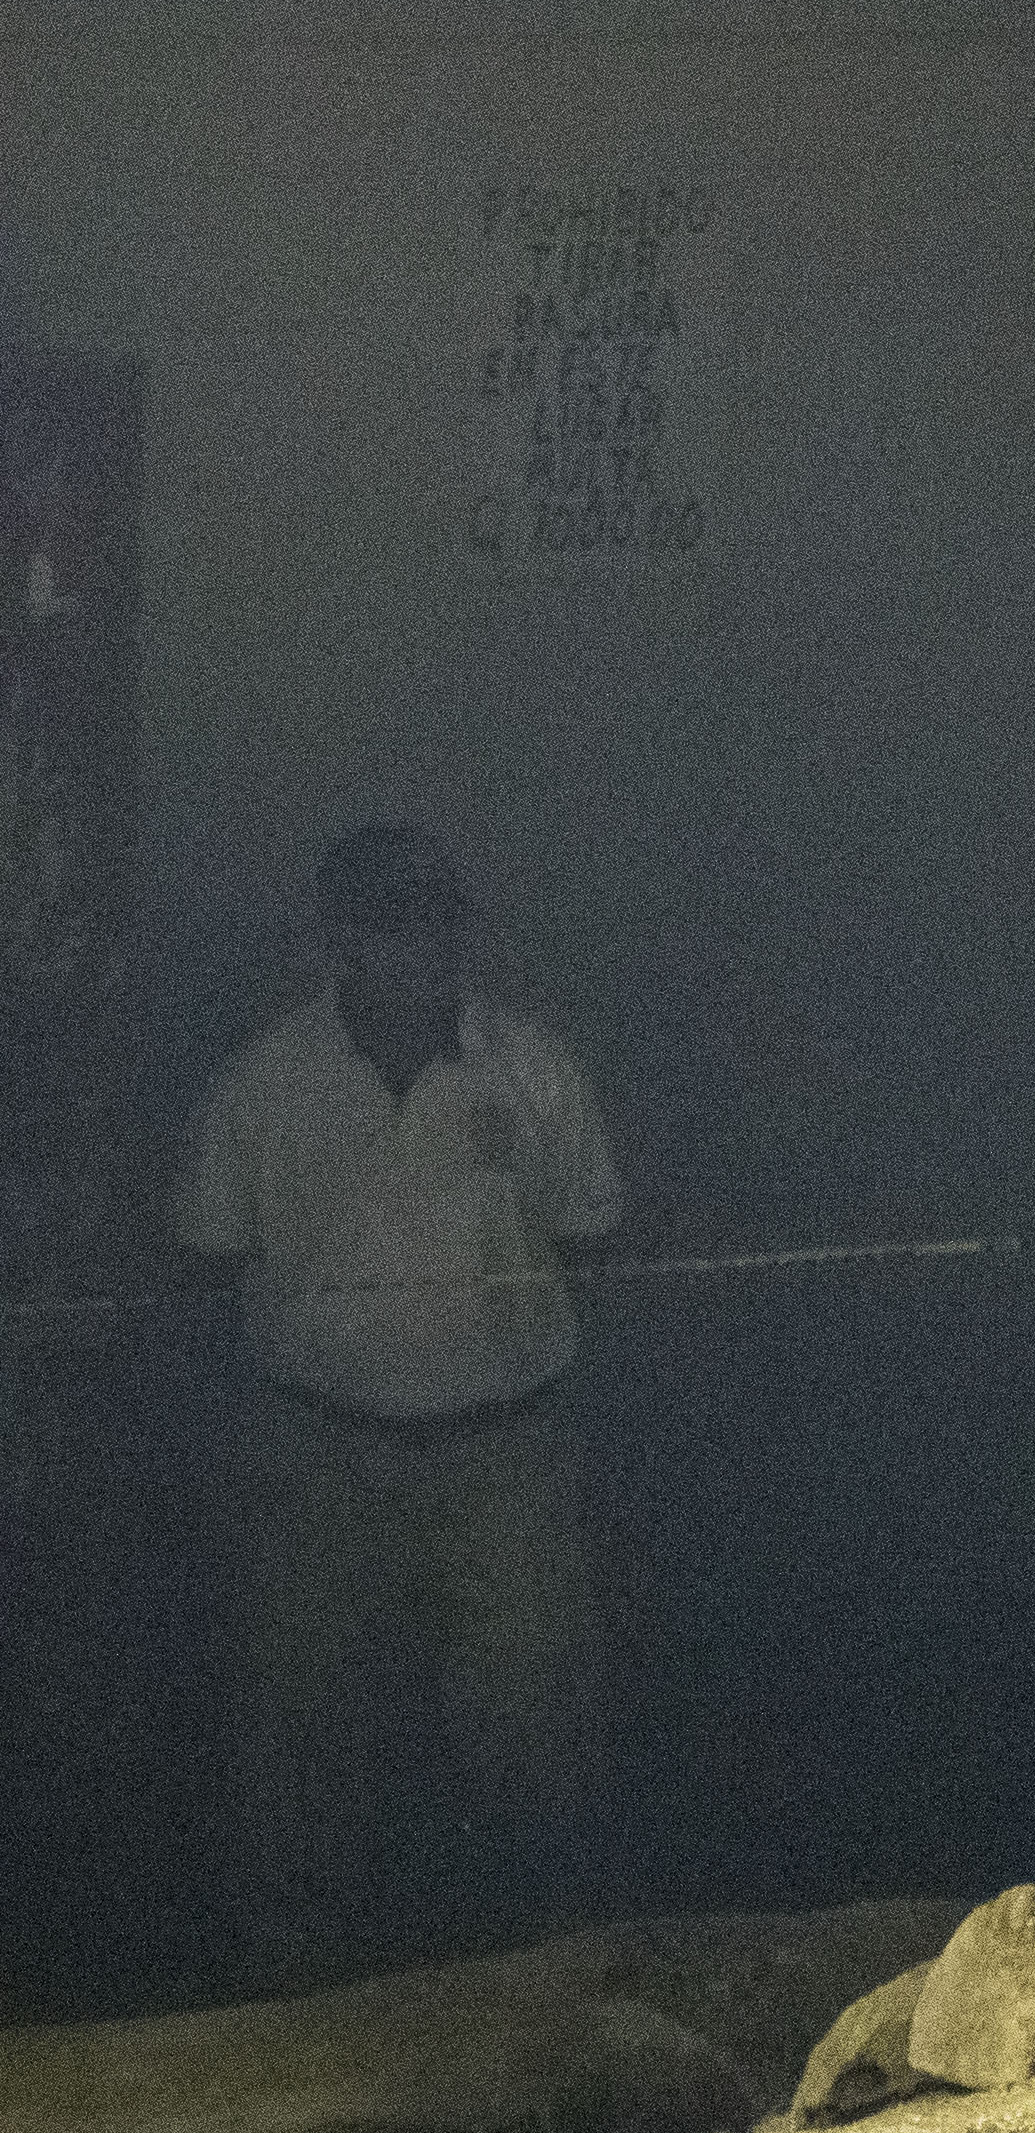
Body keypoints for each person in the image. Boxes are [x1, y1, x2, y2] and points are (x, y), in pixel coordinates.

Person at [174, 825, 622, 1980]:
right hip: (319, 1453)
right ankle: (290, 2007)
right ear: (338, 938)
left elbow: (594, 1233)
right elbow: (210, 1256)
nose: (423, 945)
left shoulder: (532, 1069)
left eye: (437, 919)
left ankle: (556, 1986)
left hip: (504, 1451)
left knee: (534, 1738)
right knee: (296, 1741)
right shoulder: (262, 1084)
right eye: (392, 922)